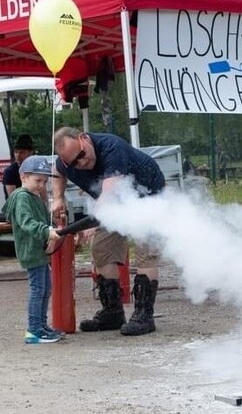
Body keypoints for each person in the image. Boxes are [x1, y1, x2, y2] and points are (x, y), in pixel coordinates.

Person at [52, 127, 164, 336]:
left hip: (148, 198)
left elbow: (108, 199)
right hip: (113, 203)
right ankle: (112, 313)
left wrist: (90, 225)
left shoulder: (112, 148)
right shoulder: (66, 161)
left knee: (146, 252)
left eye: (82, 156)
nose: (81, 163)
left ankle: (144, 315)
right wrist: (58, 197)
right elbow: (58, 172)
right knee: (102, 249)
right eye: (74, 163)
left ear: (84, 138)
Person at [2, 156, 64, 344]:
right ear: (23, 177)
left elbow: (42, 220)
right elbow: (27, 222)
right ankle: (34, 330)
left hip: (39, 251)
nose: (41, 185)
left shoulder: (34, 197)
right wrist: (47, 231)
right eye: (38, 180)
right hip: (31, 251)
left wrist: (52, 224)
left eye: (44, 182)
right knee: (38, 290)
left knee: (46, 289)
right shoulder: (22, 198)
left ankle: (41, 326)